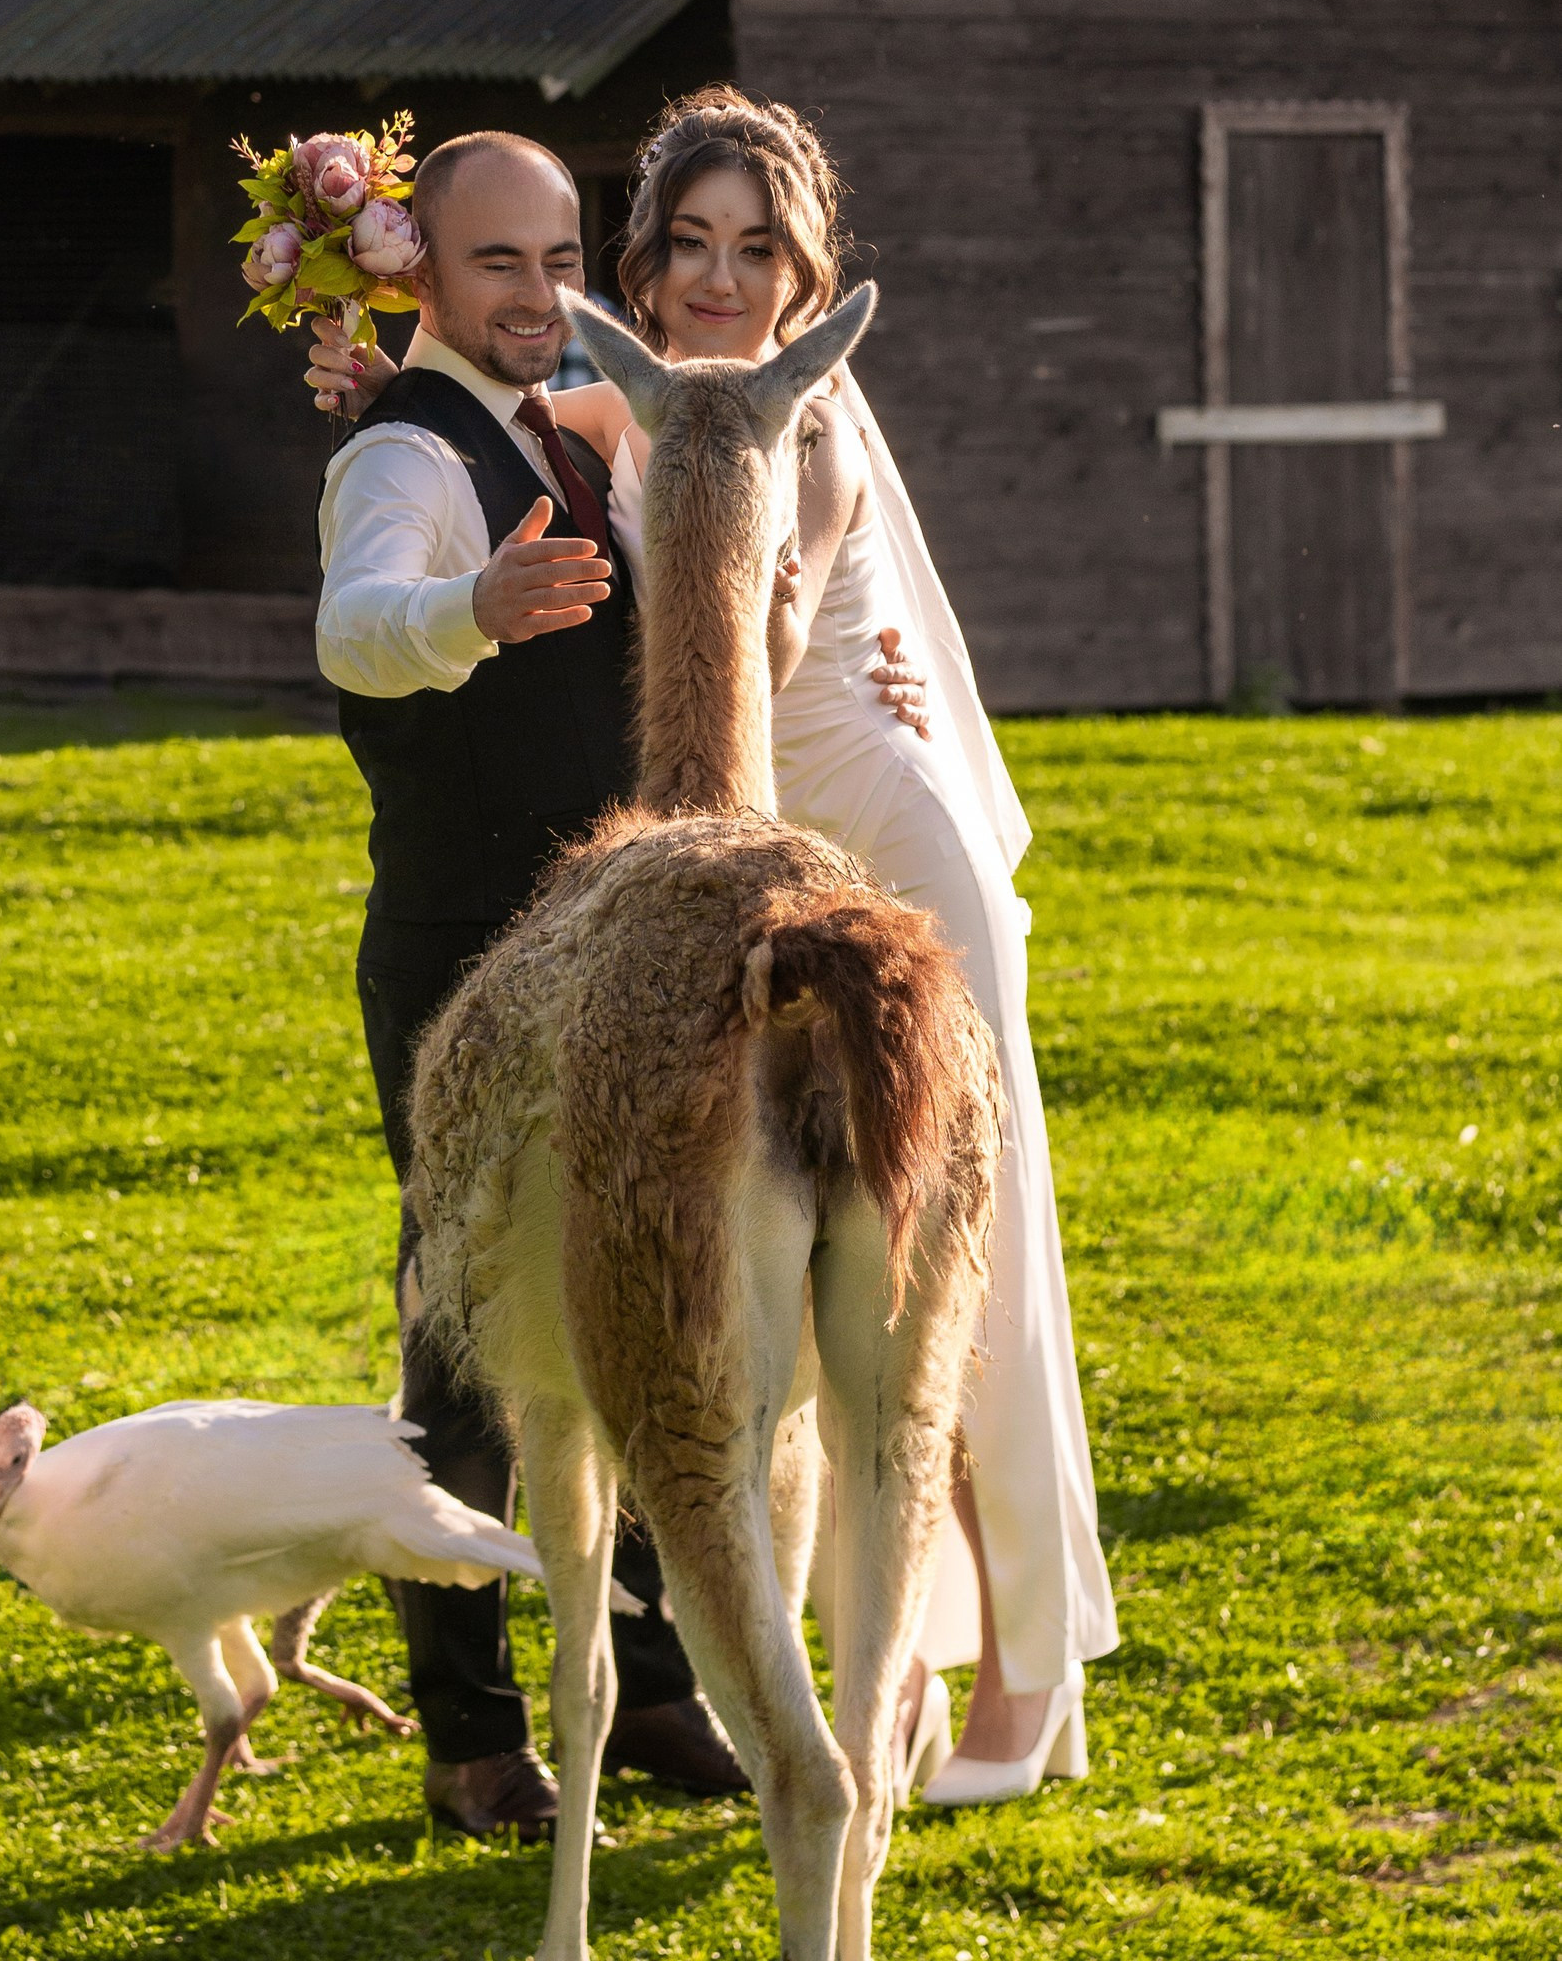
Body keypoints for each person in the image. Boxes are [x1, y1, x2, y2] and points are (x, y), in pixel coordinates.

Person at [314, 88, 1117, 1807]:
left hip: (856, 834)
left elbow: (760, 612)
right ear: (641, 262)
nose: (720, 279)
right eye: (688, 242)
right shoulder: (592, 411)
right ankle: (572, 1710)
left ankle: (1017, 1675)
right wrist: (388, 385)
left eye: (758, 249)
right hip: (722, 871)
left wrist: (759, 603)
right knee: (679, 1276)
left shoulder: (788, 422)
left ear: (808, 274)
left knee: (941, 1273)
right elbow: (497, 431)